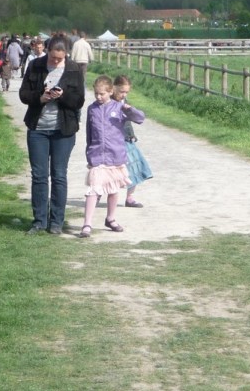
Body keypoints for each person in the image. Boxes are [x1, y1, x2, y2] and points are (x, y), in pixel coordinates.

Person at [19, 34, 85, 235]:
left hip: (63, 130)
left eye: (60, 58)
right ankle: (39, 220)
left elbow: (79, 101)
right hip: (38, 129)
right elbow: (23, 94)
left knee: (59, 175)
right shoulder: (36, 66)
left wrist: (62, 97)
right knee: (39, 175)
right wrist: (41, 97)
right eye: (53, 58)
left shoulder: (73, 69)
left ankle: (56, 222)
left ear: (66, 54)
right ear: (47, 51)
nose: (56, 62)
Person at [79, 75, 145, 238]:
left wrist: (128, 109)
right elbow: (89, 132)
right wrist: (89, 153)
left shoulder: (118, 107)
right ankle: (87, 223)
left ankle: (111, 218)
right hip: (97, 157)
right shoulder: (91, 109)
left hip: (115, 156)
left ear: (110, 91)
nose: (98, 97)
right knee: (93, 189)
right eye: (96, 94)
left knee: (113, 190)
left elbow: (140, 118)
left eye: (101, 94)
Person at [113, 75, 152, 208]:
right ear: (114, 88)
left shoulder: (124, 102)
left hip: (127, 138)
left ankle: (130, 197)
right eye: (121, 91)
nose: (123, 94)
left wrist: (131, 132)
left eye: (126, 92)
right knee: (111, 170)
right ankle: (100, 194)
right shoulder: (108, 102)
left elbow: (134, 118)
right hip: (114, 140)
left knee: (136, 166)